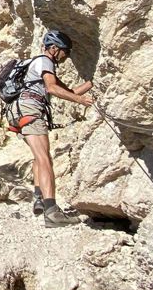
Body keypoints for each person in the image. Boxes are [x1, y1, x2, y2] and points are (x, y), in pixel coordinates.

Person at [9, 30, 94, 227]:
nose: (67, 55)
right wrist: (81, 101)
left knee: (40, 156)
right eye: (66, 51)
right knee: (45, 158)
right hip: (31, 109)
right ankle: (52, 211)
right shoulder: (44, 61)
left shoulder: (39, 65)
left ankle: (39, 197)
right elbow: (52, 89)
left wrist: (92, 84)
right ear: (54, 49)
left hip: (20, 110)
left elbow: (67, 91)